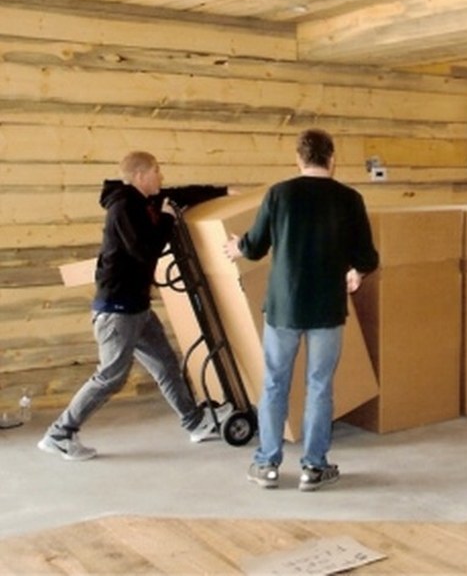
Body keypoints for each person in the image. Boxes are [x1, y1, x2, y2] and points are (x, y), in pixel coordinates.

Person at [38, 151, 229, 461]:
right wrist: (167, 219)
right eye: (156, 172)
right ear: (141, 176)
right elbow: (143, 250)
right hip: (117, 310)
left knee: (166, 364)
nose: (161, 177)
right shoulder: (123, 207)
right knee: (111, 376)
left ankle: (195, 423)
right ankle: (60, 433)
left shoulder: (145, 200)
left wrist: (222, 192)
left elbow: (182, 194)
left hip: (136, 307)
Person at [224, 128, 378, 492]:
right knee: (319, 386)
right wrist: (356, 272)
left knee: (275, 383)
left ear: (299, 159)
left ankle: (267, 464)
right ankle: (314, 467)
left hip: (284, 307)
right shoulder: (349, 199)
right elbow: (367, 256)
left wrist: (237, 247)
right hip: (327, 306)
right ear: (332, 158)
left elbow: (256, 245)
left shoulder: (280, 194)